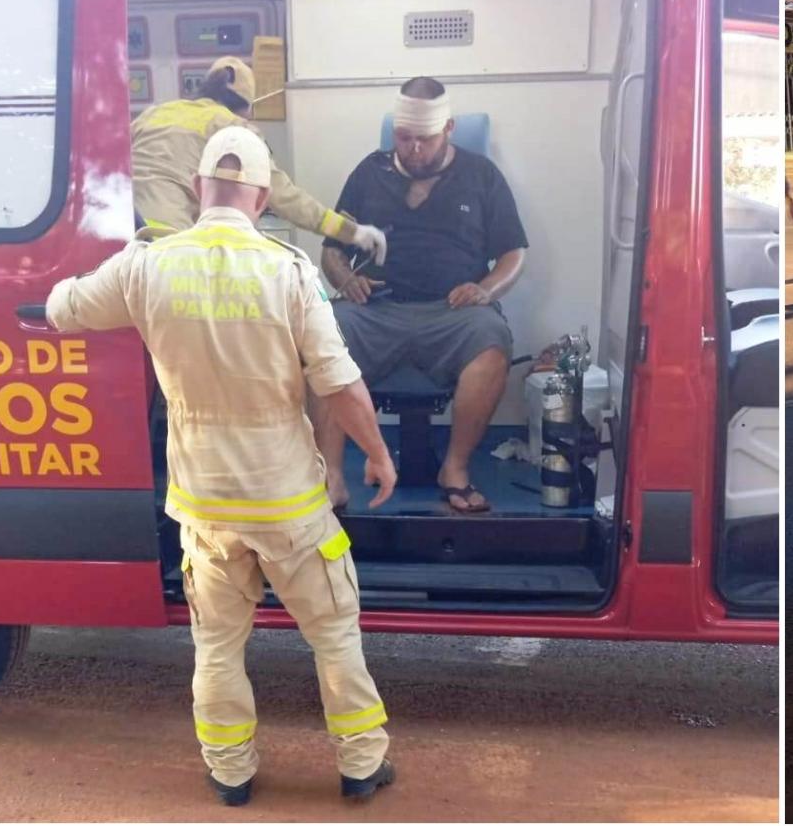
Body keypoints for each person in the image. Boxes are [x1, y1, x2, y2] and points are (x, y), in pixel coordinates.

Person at [45, 126, 398, 806]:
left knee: (217, 646)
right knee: (332, 635)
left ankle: (231, 774)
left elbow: (65, 309)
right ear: (261, 199)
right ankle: (361, 765)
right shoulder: (288, 271)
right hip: (288, 502)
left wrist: (83, 275)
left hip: (205, 505)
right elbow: (339, 384)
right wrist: (377, 456)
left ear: (195, 189)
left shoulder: (147, 266)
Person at [318, 76, 527, 513]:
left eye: (425, 139)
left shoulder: (481, 175)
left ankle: (455, 470)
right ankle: (331, 477)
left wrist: (485, 289)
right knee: (320, 334)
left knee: (492, 340)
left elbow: (514, 253)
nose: (413, 149)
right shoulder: (369, 172)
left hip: (453, 313)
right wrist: (344, 279)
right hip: (375, 309)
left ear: (448, 129)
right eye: (404, 137)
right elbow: (332, 249)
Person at [130, 56, 388, 264]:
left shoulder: (154, 114)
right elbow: (287, 198)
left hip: (125, 235)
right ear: (246, 108)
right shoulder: (233, 127)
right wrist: (352, 232)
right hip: (167, 245)